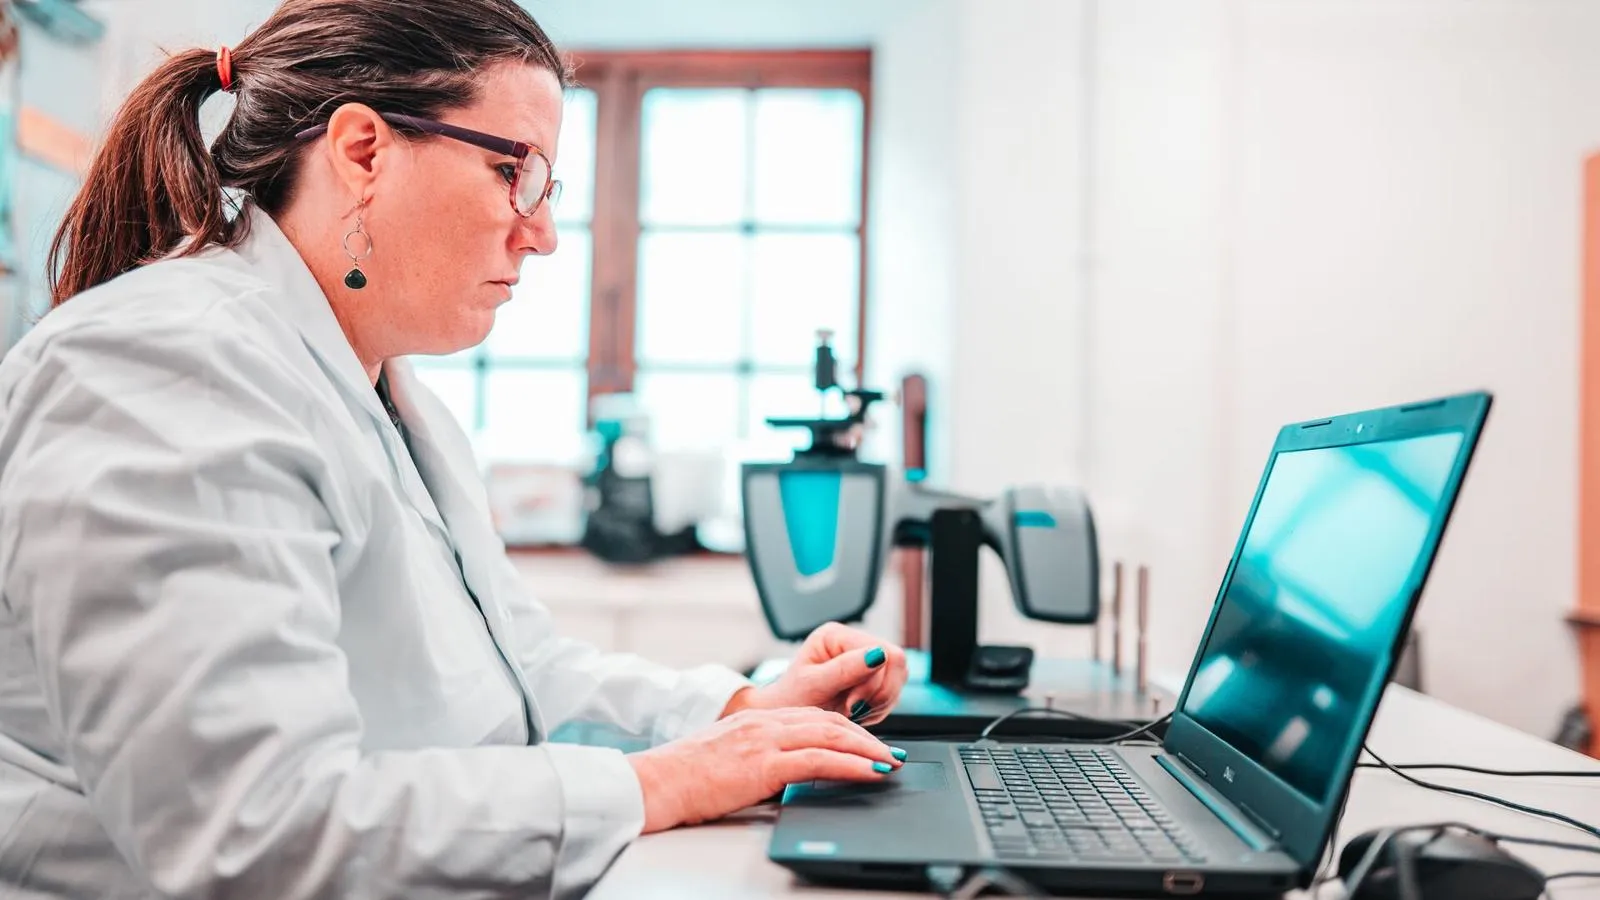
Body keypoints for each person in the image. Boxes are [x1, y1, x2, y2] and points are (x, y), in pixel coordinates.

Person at [0, 2, 911, 898]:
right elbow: (255, 830)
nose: (543, 232)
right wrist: (667, 780)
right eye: (518, 174)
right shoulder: (166, 369)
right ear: (363, 152)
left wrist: (738, 713)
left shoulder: (393, 396)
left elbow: (516, 675)